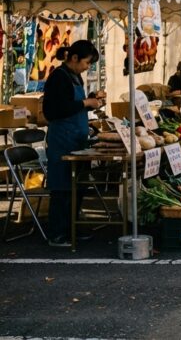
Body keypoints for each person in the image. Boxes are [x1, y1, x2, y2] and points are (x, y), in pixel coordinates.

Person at [42, 40, 104, 247]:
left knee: (79, 185)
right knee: (62, 187)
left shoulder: (75, 76)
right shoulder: (58, 77)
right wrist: (85, 102)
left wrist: (92, 100)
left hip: (78, 138)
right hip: (62, 139)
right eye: (87, 62)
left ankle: (72, 228)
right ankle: (57, 234)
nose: (88, 67)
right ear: (75, 58)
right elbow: (55, 111)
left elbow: (73, 105)